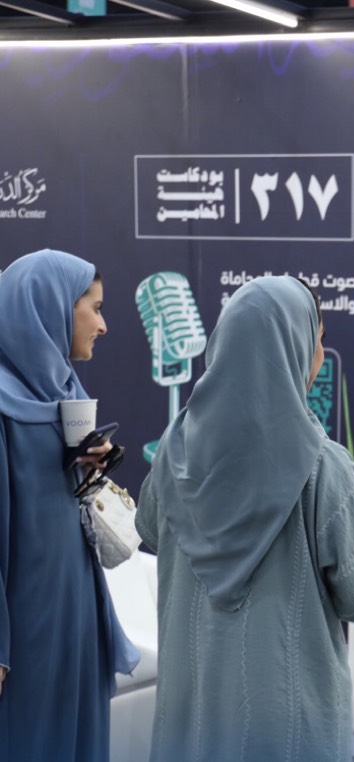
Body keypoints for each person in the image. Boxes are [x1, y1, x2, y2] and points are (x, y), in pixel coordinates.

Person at [136, 275, 354, 761]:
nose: (319, 354)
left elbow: (149, 532)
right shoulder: (323, 467)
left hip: (191, 719)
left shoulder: (173, 451)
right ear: (293, 347)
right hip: (286, 725)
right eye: (317, 339)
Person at [0, 249, 138, 762]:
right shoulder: (3, 403)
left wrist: (94, 464)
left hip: (78, 606)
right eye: (95, 308)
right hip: (25, 624)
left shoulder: (63, 389)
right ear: (50, 305)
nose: (103, 325)